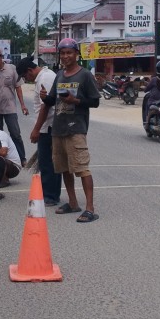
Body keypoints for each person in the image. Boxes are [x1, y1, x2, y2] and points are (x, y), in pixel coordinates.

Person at [34, 38, 101, 223]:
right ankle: (72, 203)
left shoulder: (85, 75)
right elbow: (53, 101)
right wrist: (45, 97)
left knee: (82, 169)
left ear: (76, 54)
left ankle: (90, 208)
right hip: (58, 129)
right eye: (62, 53)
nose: (65, 56)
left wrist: (76, 101)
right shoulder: (60, 75)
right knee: (64, 169)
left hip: (76, 129)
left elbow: (95, 101)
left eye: (69, 52)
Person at [18, 57, 62, 206]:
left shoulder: (46, 78)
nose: (26, 79)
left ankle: (50, 195)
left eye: (25, 76)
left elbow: (46, 106)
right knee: (49, 162)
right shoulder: (44, 77)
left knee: (47, 163)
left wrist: (36, 129)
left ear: (30, 71)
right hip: (48, 125)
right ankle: (51, 193)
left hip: (49, 126)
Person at [0, 47, 29, 164]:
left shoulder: (12, 69)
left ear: (1, 57)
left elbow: (18, 87)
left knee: (15, 134)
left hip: (10, 108)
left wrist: (23, 105)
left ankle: (21, 158)